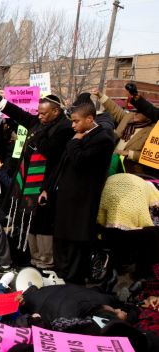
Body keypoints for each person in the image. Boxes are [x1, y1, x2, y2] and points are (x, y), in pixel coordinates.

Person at [0, 90, 75, 270]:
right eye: (38, 113)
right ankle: (32, 258)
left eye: (44, 113)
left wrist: (34, 137)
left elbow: (48, 149)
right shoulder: (39, 122)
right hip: (27, 180)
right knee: (28, 220)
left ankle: (45, 261)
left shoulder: (64, 128)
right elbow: (19, 114)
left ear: (56, 112)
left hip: (45, 184)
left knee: (41, 224)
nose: (39, 117)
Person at [44, 102, 114, 283]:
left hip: (83, 200)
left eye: (76, 121)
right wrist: (48, 188)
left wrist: (75, 142)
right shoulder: (78, 135)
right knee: (61, 236)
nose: (73, 125)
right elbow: (62, 165)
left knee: (76, 240)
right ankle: (60, 273)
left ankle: (72, 277)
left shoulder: (103, 139)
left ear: (90, 119)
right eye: (72, 121)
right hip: (66, 197)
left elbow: (80, 160)